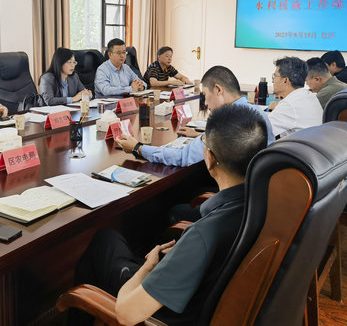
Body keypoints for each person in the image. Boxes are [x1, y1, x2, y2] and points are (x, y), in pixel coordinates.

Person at [71, 104, 269, 325]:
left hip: (164, 313)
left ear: (210, 158)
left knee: (103, 242)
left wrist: (147, 268)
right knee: (109, 240)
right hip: (206, 296)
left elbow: (126, 313)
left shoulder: (203, 235)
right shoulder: (265, 202)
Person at [116, 65, 274, 167]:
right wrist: (202, 135)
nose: (207, 104)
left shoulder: (224, 123)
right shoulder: (259, 113)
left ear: (218, 90)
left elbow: (182, 157)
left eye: (205, 95)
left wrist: (138, 148)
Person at [267, 56, 322, 138]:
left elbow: (260, 131)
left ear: (285, 80)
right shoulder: (310, 96)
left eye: (274, 76)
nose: (272, 81)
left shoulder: (289, 104)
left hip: (299, 145)